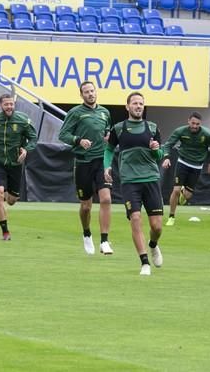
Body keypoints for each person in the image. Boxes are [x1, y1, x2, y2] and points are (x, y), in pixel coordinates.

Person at [104, 92, 164, 276]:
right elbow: (109, 149)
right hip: (130, 182)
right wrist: (107, 167)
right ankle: (144, 262)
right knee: (136, 219)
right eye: (135, 103)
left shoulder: (152, 128)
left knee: (157, 227)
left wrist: (156, 150)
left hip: (151, 179)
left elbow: (160, 156)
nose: (138, 106)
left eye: (141, 104)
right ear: (127, 106)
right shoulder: (119, 128)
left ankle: (153, 245)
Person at [58, 81, 113, 255]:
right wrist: (78, 140)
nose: (90, 94)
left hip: (101, 161)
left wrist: (108, 137)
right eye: (86, 92)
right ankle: (87, 233)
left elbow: (107, 131)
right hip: (83, 162)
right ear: (81, 95)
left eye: (92, 91)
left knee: (105, 199)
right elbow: (63, 134)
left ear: (96, 92)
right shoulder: (75, 113)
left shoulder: (105, 112)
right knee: (86, 206)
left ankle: (104, 241)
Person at [0, 93, 37, 241]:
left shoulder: (23, 120)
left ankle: (7, 194)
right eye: (6, 104)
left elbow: (33, 137)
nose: (9, 107)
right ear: (0, 105)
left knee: (11, 200)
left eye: (11, 104)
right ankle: (5, 232)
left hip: (15, 164)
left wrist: (26, 149)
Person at [162, 112, 210, 226]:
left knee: (187, 196)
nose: (195, 126)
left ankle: (183, 192)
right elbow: (168, 145)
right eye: (193, 123)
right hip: (182, 162)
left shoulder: (206, 133)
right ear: (188, 121)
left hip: (197, 166)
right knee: (176, 190)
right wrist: (166, 157)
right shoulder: (180, 131)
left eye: (197, 124)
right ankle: (171, 216)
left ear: (200, 124)